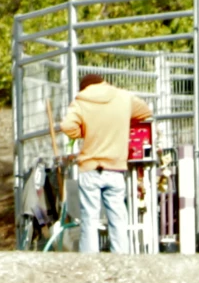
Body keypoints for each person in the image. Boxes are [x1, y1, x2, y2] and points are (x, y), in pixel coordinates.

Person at [58, 72, 152, 253]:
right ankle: (120, 258)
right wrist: (122, 121)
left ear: (84, 88)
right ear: (104, 82)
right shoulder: (123, 97)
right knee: (118, 218)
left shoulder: (81, 101)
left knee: (90, 219)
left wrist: (84, 131)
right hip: (115, 168)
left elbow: (66, 126)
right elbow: (145, 111)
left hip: (90, 168)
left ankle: (90, 261)